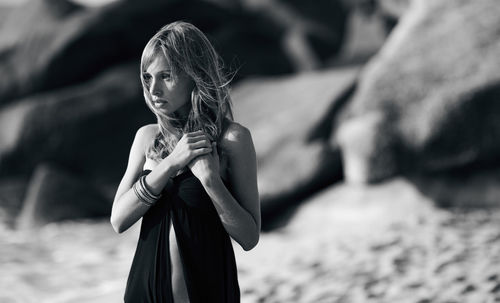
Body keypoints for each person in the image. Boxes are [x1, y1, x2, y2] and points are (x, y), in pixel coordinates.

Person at [110, 21, 260, 303]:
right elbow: (118, 219)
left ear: (195, 74)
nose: (154, 89)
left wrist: (210, 181)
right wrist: (170, 164)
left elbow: (250, 237)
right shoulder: (147, 138)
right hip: (145, 292)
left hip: (208, 291)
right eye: (147, 77)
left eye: (166, 76)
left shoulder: (232, 140)